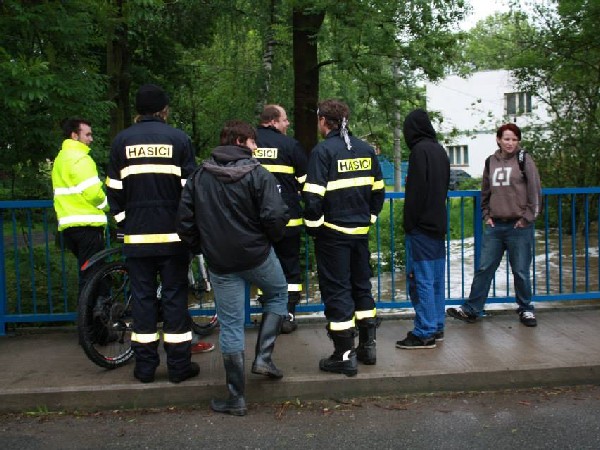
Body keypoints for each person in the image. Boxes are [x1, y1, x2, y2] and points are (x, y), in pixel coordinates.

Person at [176, 120, 289, 416]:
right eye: (253, 141)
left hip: (220, 262)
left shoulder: (199, 176)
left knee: (230, 324)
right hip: (258, 256)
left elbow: (184, 223)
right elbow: (275, 215)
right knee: (278, 294)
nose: (256, 146)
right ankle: (263, 358)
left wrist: (203, 247)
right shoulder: (259, 174)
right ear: (240, 141)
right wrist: (269, 240)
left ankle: (236, 398)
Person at [106, 84, 199, 384]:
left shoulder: (121, 142)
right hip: (173, 239)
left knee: (143, 301)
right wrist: (188, 227)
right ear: (164, 110)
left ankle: (145, 369)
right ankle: (179, 367)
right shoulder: (179, 139)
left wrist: (125, 224)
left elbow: (114, 191)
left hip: (137, 239)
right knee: (175, 299)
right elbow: (191, 190)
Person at [302, 99, 385, 377]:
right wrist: (367, 220)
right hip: (359, 234)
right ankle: (368, 348)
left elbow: (312, 198)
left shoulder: (323, 151)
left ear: (323, 121)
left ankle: (344, 356)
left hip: (333, 235)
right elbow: (378, 192)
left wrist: (315, 228)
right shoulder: (365, 150)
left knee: (337, 292)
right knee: (361, 287)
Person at [447, 123, 542, 327]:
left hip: (519, 226)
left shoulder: (524, 159)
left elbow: (535, 192)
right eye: (506, 139)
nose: (510, 143)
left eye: (514, 139)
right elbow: (485, 191)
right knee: (484, 268)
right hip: (495, 226)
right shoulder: (491, 161)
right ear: (498, 139)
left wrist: (526, 218)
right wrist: (486, 215)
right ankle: (472, 309)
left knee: (520, 271)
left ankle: (526, 309)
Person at [395, 109, 450, 350]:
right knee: (436, 279)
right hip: (438, 225)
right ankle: (436, 325)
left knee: (421, 280)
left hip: (421, 228)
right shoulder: (440, 150)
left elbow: (416, 193)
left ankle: (424, 332)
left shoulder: (419, 152)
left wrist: (409, 223)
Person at [255, 104, 307, 334]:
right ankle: (288, 314)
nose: (288, 124)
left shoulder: (248, 143)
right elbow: (306, 182)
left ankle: (269, 314)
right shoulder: (290, 145)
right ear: (274, 121)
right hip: (288, 220)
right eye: (285, 120)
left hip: (256, 221)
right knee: (290, 266)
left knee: (262, 267)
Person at [52, 118, 108, 298]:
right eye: (87, 134)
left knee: (93, 273)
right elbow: (94, 194)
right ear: (74, 135)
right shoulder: (80, 158)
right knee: (92, 276)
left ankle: (100, 311)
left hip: (69, 226)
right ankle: (90, 314)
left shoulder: (61, 158)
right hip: (87, 225)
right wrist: (108, 206)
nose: (91, 139)